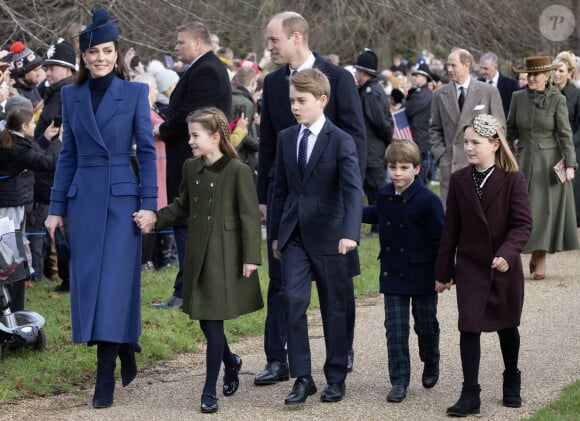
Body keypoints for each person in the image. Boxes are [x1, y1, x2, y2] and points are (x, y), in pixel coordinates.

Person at [44, 8, 157, 408]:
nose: (100, 59)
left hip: (123, 201)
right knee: (91, 285)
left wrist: (150, 206)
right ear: (83, 56)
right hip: (84, 201)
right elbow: (67, 155)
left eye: (108, 51)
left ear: (117, 52)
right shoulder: (71, 95)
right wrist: (56, 207)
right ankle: (124, 342)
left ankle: (104, 375)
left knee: (113, 286)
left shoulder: (135, 93)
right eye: (93, 52)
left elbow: (145, 151)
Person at [256, 11, 366, 385]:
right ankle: (278, 358)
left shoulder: (337, 79)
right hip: (287, 203)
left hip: (330, 207)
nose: (269, 46)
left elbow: (355, 138)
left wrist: (346, 204)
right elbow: (269, 146)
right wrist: (264, 200)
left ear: (296, 37)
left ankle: (342, 352)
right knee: (284, 286)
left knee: (338, 291)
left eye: (273, 39)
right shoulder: (272, 84)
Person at [135, 107, 263, 414]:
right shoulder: (191, 168)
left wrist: (251, 258)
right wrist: (154, 218)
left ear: (215, 137)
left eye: (195, 135)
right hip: (197, 254)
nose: (190, 140)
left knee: (212, 319)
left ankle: (209, 390)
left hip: (227, 256)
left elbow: (249, 217)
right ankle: (231, 362)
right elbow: (182, 206)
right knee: (207, 321)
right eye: (189, 134)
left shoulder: (238, 170)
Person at [269, 68, 363, 406]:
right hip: (294, 235)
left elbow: (353, 192)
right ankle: (303, 377)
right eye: (292, 100)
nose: (295, 107)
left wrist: (350, 233)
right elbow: (280, 190)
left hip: (331, 237)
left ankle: (335, 377)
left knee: (335, 310)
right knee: (292, 302)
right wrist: (277, 237)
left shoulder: (340, 140)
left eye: (302, 101)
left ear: (322, 101)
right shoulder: (285, 138)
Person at [435, 114, 533, 416]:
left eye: (475, 142)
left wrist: (508, 253)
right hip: (471, 265)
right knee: (469, 326)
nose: (468, 148)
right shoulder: (459, 180)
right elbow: (450, 229)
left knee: (507, 326)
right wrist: (442, 271)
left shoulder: (512, 178)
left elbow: (523, 224)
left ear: (494, 144)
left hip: (503, 265)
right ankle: (470, 392)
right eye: (465, 142)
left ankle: (512, 377)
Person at [154, 21, 232, 310]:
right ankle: (183, 289)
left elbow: (193, 115)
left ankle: (189, 292)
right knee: (185, 224)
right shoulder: (203, 68)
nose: (176, 47)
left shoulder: (207, 70)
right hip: (190, 160)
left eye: (180, 42)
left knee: (187, 223)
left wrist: (161, 130)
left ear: (198, 43)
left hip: (195, 162)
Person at [362, 139, 443, 403]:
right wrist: (349, 210)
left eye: (404, 167)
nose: (397, 173)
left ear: (417, 169)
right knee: (395, 330)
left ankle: (431, 359)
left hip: (423, 274)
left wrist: (445, 272)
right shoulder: (385, 194)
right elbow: (375, 212)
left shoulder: (429, 200)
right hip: (393, 273)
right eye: (393, 167)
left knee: (426, 326)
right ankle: (399, 380)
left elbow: (440, 239)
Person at [508, 56, 579, 279]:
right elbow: (510, 131)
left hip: (548, 163)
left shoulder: (557, 99)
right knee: (521, 209)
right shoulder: (517, 98)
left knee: (542, 211)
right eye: (528, 75)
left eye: (535, 75)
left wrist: (570, 164)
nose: (531, 79)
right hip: (522, 160)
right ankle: (523, 251)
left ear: (546, 76)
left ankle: (539, 254)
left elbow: (566, 134)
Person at [0, 96, 59, 311]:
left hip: (12, 202)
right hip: (8, 204)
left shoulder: (11, 141)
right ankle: (12, 301)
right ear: (23, 126)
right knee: (8, 251)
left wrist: (45, 139)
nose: (35, 125)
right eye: (32, 122)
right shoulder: (16, 148)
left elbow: (31, 153)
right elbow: (47, 162)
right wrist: (59, 142)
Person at [429, 48, 505, 206]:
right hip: (450, 165)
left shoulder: (488, 92)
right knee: (451, 217)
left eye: (453, 65)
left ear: (467, 65)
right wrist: (441, 155)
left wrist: (489, 155)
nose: (449, 69)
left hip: (481, 166)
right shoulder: (439, 94)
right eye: (448, 65)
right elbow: (435, 129)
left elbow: (500, 128)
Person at [30, 38, 77, 290]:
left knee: (64, 227)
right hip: (47, 169)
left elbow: (65, 139)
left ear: (68, 69)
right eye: (46, 67)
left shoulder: (69, 95)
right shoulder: (53, 93)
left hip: (57, 170)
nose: (47, 72)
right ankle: (66, 277)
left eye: (52, 67)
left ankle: (70, 278)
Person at [354, 48, 392, 234]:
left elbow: (382, 124)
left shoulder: (371, 93)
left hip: (373, 150)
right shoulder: (368, 91)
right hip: (371, 150)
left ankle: (380, 227)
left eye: (357, 71)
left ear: (364, 72)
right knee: (371, 190)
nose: (355, 74)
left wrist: (387, 143)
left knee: (377, 190)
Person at [132, 73, 168, 271]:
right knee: (148, 210)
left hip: (159, 165)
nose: (156, 92)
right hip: (149, 165)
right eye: (154, 88)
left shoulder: (150, 109)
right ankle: (145, 260)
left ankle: (152, 258)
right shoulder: (143, 111)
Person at [553, 51, 580, 227]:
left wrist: (568, 146)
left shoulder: (576, 94)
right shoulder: (547, 92)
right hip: (548, 146)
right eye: (554, 70)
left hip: (572, 148)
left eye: (561, 71)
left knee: (570, 189)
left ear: (570, 73)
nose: (557, 74)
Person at [406, 63, 433, 184]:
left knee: (419, 177)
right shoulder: (419, 93)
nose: (414, 77)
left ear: (425, 77)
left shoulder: (423, 94)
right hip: (418, 138)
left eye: (417, 75)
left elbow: (409, 109)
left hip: (419, 139)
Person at [478, 52, 520, 118]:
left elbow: (516, 108)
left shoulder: (511, 84)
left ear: (496, 67)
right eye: (481, 68)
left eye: (486, 68)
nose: (482, 72)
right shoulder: (477, 84)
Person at [9, 41, 43, 107]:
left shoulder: (31, 85)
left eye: (40, 69)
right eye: (35, 70)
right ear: (21, 72)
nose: (39, 74)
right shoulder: (14, 95)